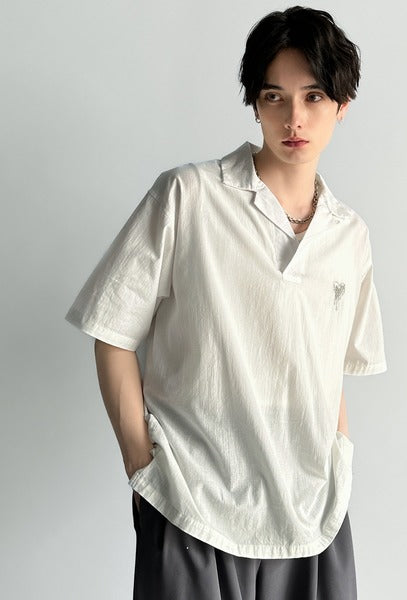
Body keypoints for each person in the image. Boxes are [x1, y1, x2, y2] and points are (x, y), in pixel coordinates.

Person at [65, 6, 387, 599]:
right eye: (274, 96)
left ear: (343, 105)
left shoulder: (349, 235)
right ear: (255, 104)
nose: (294, 118)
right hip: (194, 504)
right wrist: (142, 465)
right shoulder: (188, 196)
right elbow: (110, 332)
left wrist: (339, 464)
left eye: (314, 96)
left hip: (312, 514)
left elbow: (330, 369)